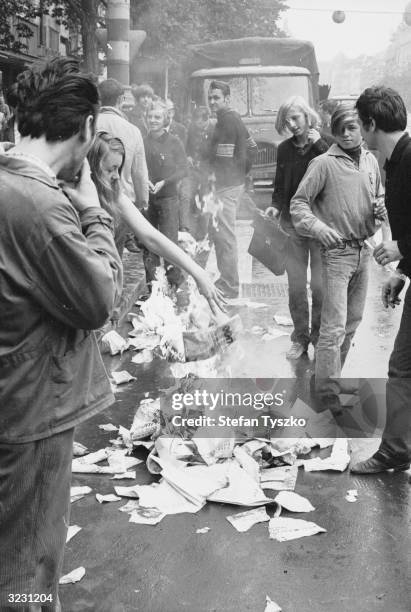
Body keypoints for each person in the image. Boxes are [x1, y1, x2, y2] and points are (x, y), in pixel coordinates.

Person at [0, 57, 122, 610]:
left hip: (12, 399)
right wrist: (95, 213)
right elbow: (99, 300)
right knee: (28, 567)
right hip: (32, 409)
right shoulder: (43, 205)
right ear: (87, 129)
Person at [290, 105, 387, 413]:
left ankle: (330, 385)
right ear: (334, 130)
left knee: (352, 323)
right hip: (336, 255)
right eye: (341, 128)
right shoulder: (323, 163)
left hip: (363, 251)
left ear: (363, 129)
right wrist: (318, 227)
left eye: (353, 128)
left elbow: (378, 196)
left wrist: (380, 211)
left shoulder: (371, 161)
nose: (347, 134)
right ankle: (326, 395)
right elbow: (298, 205)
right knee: (332, 328)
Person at [89, 131, 224, 315]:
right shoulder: (78, 197)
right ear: (93, 167)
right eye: (110, 169)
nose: (115, 177)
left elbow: (151, 236)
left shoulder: (113, 194)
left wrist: (198, 273)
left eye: (118, 170)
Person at [350, 86, 411, 474]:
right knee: (403, 365)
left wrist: (401, 248)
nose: (358, 131)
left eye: (360, 124)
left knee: (403, 366)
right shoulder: (394, 161)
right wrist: (402, 273)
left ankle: (395, 448)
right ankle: (397, 447)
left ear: (371, 123)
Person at [265, 96, 334, 360]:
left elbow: (337, 173)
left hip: (319, 226)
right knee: (296, 286)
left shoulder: (324, 144)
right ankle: (300, 338)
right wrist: (275, 205)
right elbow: (280, 185)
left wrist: (319, 144)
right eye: (287, 120)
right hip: (292, 226)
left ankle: (318, 337)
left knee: (319, 287)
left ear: (308, 117)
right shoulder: (284, 149)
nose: (292, 124)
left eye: (296, 118)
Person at [207, 80, 248, 298]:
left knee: (225, 236)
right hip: (233, 183)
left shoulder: (227, 121)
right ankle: (227, 279)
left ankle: (230, 285)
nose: (212, 102)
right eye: (210, 97)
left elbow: (223, 159)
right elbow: (252, 146)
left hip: (226, 186)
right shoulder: (231, 118)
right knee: (223, 234)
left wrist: (217, 179)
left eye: (216, 98)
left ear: (227, 99)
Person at [143, 100, 188, 288]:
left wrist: (165, 182)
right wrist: (144, 181)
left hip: (168, 198)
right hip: (147, 199)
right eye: (150, 117)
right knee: (148, 242)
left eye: (157, 117)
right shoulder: (142, 141)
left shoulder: (174, 142)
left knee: (169, 243)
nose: (153, 120)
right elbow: (136, 166)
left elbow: (183, 169)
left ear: (165, 119)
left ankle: (175, 285)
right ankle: (152, 286)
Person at [97, 78, 148, 210]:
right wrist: (143, 203)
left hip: (93, 201)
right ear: (120, 100)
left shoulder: (87, 124)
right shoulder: (133, 131)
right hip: (123, 204)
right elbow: (139, 173)